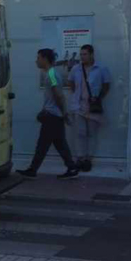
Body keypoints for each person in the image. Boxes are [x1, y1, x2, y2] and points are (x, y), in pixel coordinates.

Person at [19, 48, 81, 180]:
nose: (36, 61)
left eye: (38, 58)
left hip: (52, 116)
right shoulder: (51, 73)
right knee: (59, 144)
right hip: (53, 115)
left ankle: (33, 170)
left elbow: (59, 95)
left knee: (43, 144)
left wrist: (64, 113)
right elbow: (55, 96)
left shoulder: (52, 74)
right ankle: (71, 167)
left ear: (45, 59)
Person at [66, 44, 111, 172]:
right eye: (81, 54)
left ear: (92, 54)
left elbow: (106, 85)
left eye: (85, 54)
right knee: (80, 133)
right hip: (79, 106)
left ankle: (88, 159)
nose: (82, 57)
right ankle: (80, 158)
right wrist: (77, 96)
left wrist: (98, 98)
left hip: (92, 106)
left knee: (91, 133)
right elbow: (71, 83)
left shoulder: (101, 68)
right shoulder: (76, 68)